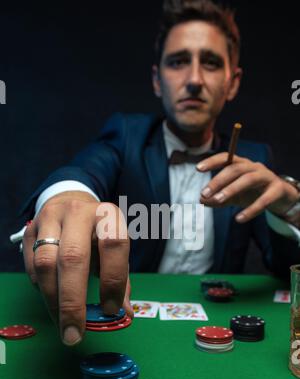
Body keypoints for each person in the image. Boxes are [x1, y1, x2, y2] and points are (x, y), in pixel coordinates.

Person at [12, 0, 300, 346]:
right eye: (178, 62)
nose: (194, 80)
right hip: (133, 331)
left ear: (232, 82)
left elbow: (287, 273)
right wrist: (68, 195)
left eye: (210, 63)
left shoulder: (254, 159)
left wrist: (290, 207)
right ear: (157, 80)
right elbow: (84, 171)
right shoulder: (126, 136)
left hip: (216, 335)